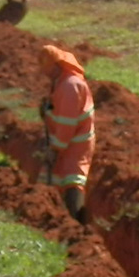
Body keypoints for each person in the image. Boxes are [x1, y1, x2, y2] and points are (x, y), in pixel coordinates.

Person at [39, 44, 95, 223]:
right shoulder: (61, 81)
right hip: (65, 140)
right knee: (60, 177)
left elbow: (67, 124)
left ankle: (75, 220)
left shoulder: (70, 86)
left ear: (56, 65)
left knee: (73, 180)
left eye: (47, 70)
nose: (46, 75)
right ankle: (61, 216)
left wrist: (55, 149)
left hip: (75, 142)